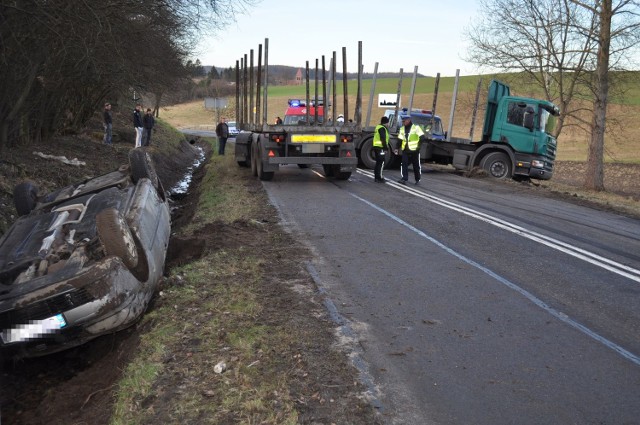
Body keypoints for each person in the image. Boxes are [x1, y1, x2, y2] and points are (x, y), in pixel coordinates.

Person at [396, 115, 424, 185]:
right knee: (404, 164)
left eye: (404, 121)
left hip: (414, 150)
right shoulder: (402, 129)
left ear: (408, 120)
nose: (403, 123)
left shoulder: (416, 128)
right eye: (402, 121)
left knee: (416, 165)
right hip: (405, 150)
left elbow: (422, 137)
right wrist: (396, 148)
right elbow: (400, 139)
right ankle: (404, 178)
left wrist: (418, 147)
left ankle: (417, 179)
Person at [373, 116, 390, 183]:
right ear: (386, 122)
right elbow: (383, 138)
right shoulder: (382, 128)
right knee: (381, 162)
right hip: (380, 148)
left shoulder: (378, 127)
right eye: (388, 122)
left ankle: (376, 177)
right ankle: (379, 177)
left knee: (378, 162)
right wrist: (386, 147)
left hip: (377, 147)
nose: (388, 124)